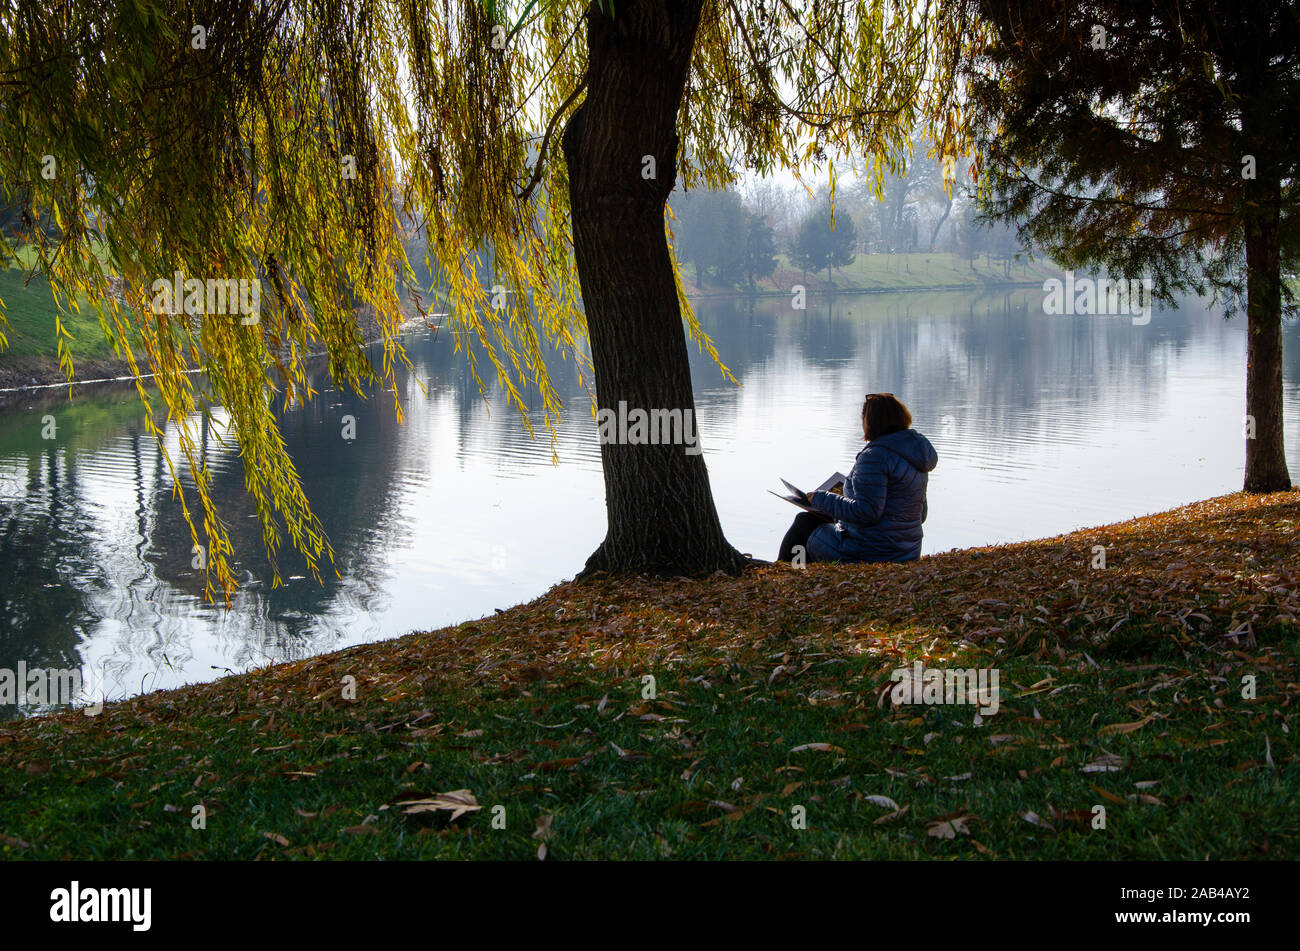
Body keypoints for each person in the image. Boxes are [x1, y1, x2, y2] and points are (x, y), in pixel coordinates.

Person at [777, 393, 938, 565]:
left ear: (871, 421)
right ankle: (799, 572)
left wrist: (820, 498)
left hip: (873, 552)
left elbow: (866, 512)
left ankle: (789, 573)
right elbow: (920, 514)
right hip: (906, 551)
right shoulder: (914, 456)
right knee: (816, 522)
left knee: (804, 524)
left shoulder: (874, 457)